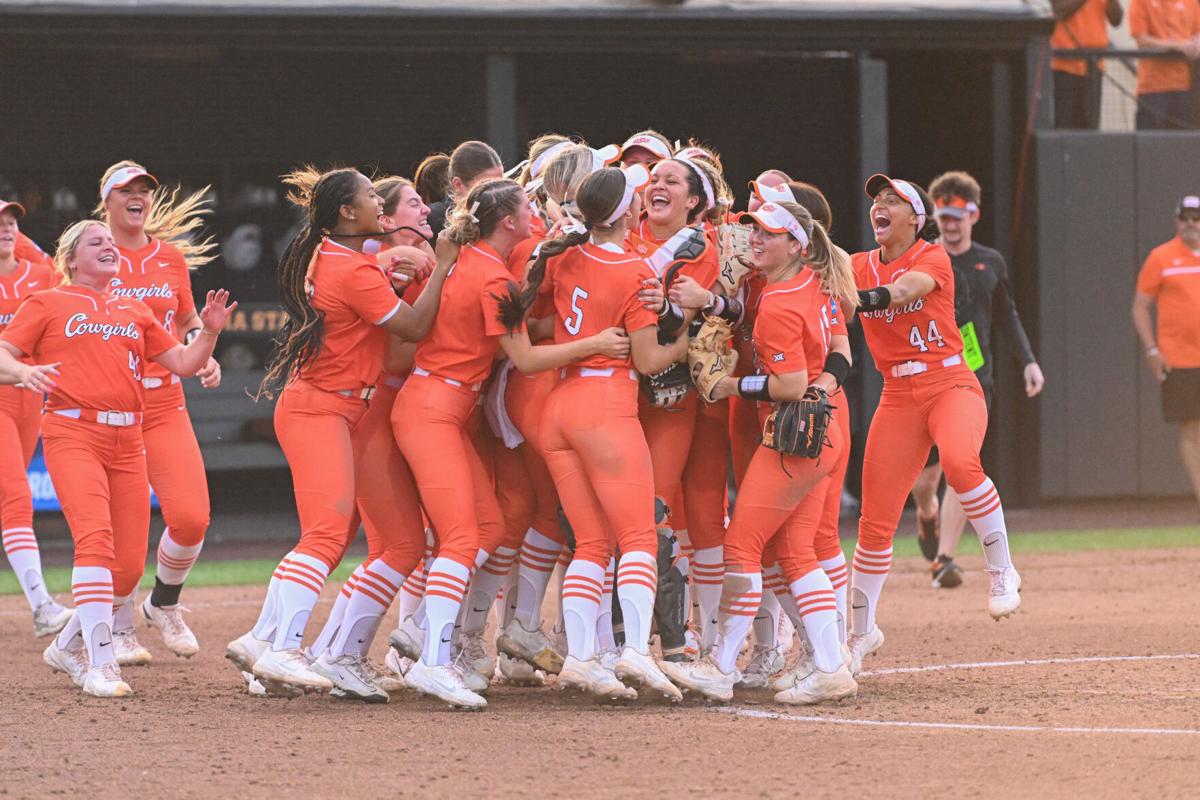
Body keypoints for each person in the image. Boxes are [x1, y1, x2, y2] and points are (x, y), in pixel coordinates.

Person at [390, 177, 631, 708]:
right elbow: (522, 357)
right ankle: (432, 657)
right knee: (459, 537)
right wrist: (591, 342)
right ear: (508, 223)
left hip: (439, 405)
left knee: (493, 526)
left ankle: (432, 638)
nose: (534, 217)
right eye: (527, 210)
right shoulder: (491, 277)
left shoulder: (470, 262)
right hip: (434, 409)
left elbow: (510, 332)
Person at [227, 167, 457, 698]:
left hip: (332, 408)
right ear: (348, 213)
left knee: (336, 536)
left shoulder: (335, 255)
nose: (379, 201)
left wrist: (387, 260)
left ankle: (266, 641)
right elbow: (415, 329)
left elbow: (353, 274)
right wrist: (442, 267)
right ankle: (282, 648)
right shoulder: (354, 270)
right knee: (327, 536)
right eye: (372, 195)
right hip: (322, 410)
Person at [0, 219, 235, 697]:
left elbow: (185, 365)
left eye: (110, 243)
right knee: (96, 542)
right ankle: (101, 665)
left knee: (126, 570)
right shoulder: (47, 301)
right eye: (96, 242)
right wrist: (22, 370)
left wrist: (208, 335)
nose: (109, 246)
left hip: (129, 440)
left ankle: (68, 645)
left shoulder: (134, 308)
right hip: (72, 431)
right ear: (70, 260)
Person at [498, 164, 689, 701]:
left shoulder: (568, 255)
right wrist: (688, 339)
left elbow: (540, 313)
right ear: (625, 210)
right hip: (606, 406)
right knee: (635, 538)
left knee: (591, 542)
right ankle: (632, 653)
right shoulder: (632, 271)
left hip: (560, 405)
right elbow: (650, 360)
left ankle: (583, 657)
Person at [659, 199, 860, 705]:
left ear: (796, 244)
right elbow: (829, 356)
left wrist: (730, 386)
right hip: (824, 426)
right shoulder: (809, 284)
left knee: (741, 546)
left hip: (796, 433)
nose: (755, 237)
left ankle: (720, 665)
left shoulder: (779, 301)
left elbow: (789, 384)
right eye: (753, 229)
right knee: (793, 551)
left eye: (768, 233)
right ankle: (831, 665)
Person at [849, 174, 1021, 675]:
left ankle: (1001, 570)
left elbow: (904, 291)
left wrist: (859, 294)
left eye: (891, 201)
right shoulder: (858, 264)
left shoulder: (931, 256)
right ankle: (859, 635)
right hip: (898, 394)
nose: (879, 207)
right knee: (876, 520)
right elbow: (817, 274)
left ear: (914, 219)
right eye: (876, 201)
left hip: (950, 383)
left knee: (961, 462)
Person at [95, 160, 219, 663]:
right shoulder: (90, 256)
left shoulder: (169, 258)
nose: (139, 194)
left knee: (191, 518)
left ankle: (163, 602)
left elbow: (187, 320)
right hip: (110, 408)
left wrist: (201, 352)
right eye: (127, 189)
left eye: (145, 188)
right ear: (107, 200)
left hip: (166, 403)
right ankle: (119, 625)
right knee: (119, 534)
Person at [907, 171, 1045, 589]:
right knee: (924, 481)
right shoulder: (923, 260)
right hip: (927, 380)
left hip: (973, 382)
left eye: (958, 216)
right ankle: (927, 513)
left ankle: (945, 559)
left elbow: (1007, 314)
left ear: (974, 216)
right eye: (944, 216)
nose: (950, 224)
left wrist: (1028, 362)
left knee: (960, 465)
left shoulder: (991, 262)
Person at [0, 199, 72, 638]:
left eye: (10, 222)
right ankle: (42, 606)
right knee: (15, 496)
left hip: (29, 401)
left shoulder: (40, 276)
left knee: (10, 495)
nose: (7, 229)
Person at [1133, 194, 1200, 507]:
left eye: (1196, 217)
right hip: (1180, 359)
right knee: (1191, 429)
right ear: (1177, 221)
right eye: (1185, 218)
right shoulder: (1162, 257)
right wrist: (1151, 349)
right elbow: (1140, 306)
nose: (1191, 224)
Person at [1050, 0, 1124, 129]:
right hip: (1064, 68)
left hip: (1093, 68)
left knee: (1089, 129)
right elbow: (1059, 11)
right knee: (1063, 127)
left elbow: (1116, 20)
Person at [1129, 0, 1200, 130]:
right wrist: (1178, 46)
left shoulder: (1191, 2)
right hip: (1152, 87)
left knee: (1181, 143)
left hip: (1183, 87)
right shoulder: (1140, 2)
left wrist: (1196, 44)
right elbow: (1141, 39)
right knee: (1150, 144)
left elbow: (1197, 33)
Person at [425, 141, 503, 237]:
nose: (496, 192)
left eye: (501, 184)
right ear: (458, 184)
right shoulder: (435, 218)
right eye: (485, 187)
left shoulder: (506, 214)